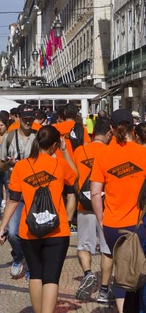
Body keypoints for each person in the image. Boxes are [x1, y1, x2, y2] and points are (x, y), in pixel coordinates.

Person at [0, 125, 78, 313]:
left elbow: (13, 200)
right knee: (51, 277)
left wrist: (3, 227)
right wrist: (65, 152)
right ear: (55, 145)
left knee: (35, 274)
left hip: (29, 229)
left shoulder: (21, 166)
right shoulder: (59, 164)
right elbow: (75, 177)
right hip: (57, 229)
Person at [90, 109, 146, 313]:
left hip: (112, 226)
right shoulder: (143, 153)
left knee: (122, 273)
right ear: (134, 127)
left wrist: (101, 219)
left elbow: (95, 194)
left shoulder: (103, 154)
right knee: (137, 272)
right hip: (137, 226)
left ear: (111, 128)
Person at [73, 118, 114, 303]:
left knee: (83, 246)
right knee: (107, 250)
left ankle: (88, 273)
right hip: (106, 206)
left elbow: (73, 178)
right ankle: (104, 290)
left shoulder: (79, 150)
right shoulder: (110, 151)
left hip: (85, 205)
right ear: (108, 134)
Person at [0, 104, 38, 278]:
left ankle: (30, 265)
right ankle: (18, 256)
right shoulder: (10, 137)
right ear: (19, 117)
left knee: (33, 232)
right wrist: (7, 164)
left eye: (31, 118)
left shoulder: (38, 137)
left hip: (35, 191)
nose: (28, 121)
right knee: (13, 233)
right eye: (25, 118)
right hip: (16, 191)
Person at [54, 103, 90, 233]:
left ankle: (59, 218)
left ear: (64, 114)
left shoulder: (55, 128)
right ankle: (68, 223)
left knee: (59, 194)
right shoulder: (81, 128)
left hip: (58, 164)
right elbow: (86, 146)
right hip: (74, 165)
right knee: (71, 195)